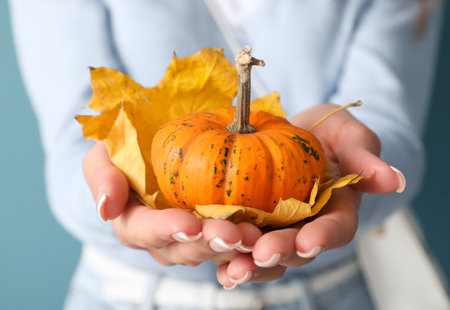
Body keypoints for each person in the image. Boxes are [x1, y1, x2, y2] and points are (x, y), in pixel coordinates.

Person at [9, 0, 443, 309]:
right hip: (124, 297)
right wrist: (113, 205)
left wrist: (360, 161)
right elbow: (74, 148)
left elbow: (389, 125)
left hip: (336, 294)